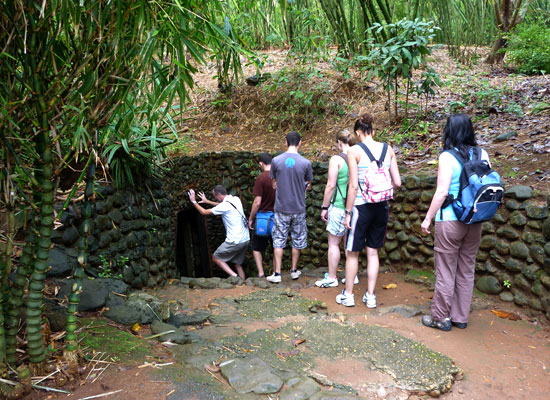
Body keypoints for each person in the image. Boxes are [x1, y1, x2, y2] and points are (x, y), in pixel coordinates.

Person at [420, 114, 488, 331]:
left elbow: (441, 192)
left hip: (450, 220)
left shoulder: (447, 157)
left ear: (449, 131)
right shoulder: (482, 153)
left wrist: (428, 218)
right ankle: (460, 316)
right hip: (474, 219)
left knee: (446, 270)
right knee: (466, 269)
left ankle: (441, 317)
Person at [337, 113, 401, 307]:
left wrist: (347, 212)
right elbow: (397, 182)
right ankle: (371, 296)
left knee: (352, 253)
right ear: (373, 130)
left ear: (357, 132)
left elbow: (353, 185)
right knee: (373, 252)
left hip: (360, 207)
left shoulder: (354, 151)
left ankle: (348, 295)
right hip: (381, 207)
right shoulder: (387, 149)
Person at [267, 131, 313, 283]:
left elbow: (274, 184)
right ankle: (294, 270)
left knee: (279, 239)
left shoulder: (276, 161)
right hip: (298, 207)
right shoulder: (306, 163)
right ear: (300, 143)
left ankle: (277, 273)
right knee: (297, 239)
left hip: (281, 207)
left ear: (285, 143)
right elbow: (308, 185)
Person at [316, 130, 354, 288]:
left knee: (333, 243)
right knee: (349, 243)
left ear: (339, 142)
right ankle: (352, 276)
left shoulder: (337, 159)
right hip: (353, 207)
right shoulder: (357, 156)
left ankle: (332, 277)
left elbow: (331, 185)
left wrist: (325, 207)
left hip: (338, 205)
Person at [188, 185, 249, 281]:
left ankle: (235, 277)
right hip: (245, 239)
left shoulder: (225, 205)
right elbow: (221, 206)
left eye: (215, 196)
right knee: (237, 264)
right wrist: (207, 201)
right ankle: (244, 284)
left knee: (216, 258)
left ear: (219, 194)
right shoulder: (235, 199)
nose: (215, 198)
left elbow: (204, 212)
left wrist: (193, 201)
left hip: (235, 241)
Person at [248, 153, 276, 278]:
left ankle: (261, 273)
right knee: (277, 246)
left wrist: (250, 218)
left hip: (263, 218)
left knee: (257, 247)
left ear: (261, 163)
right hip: (278, 217)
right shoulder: (278, 176)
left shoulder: (261, 178)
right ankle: (276, 272)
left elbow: (257, 202)